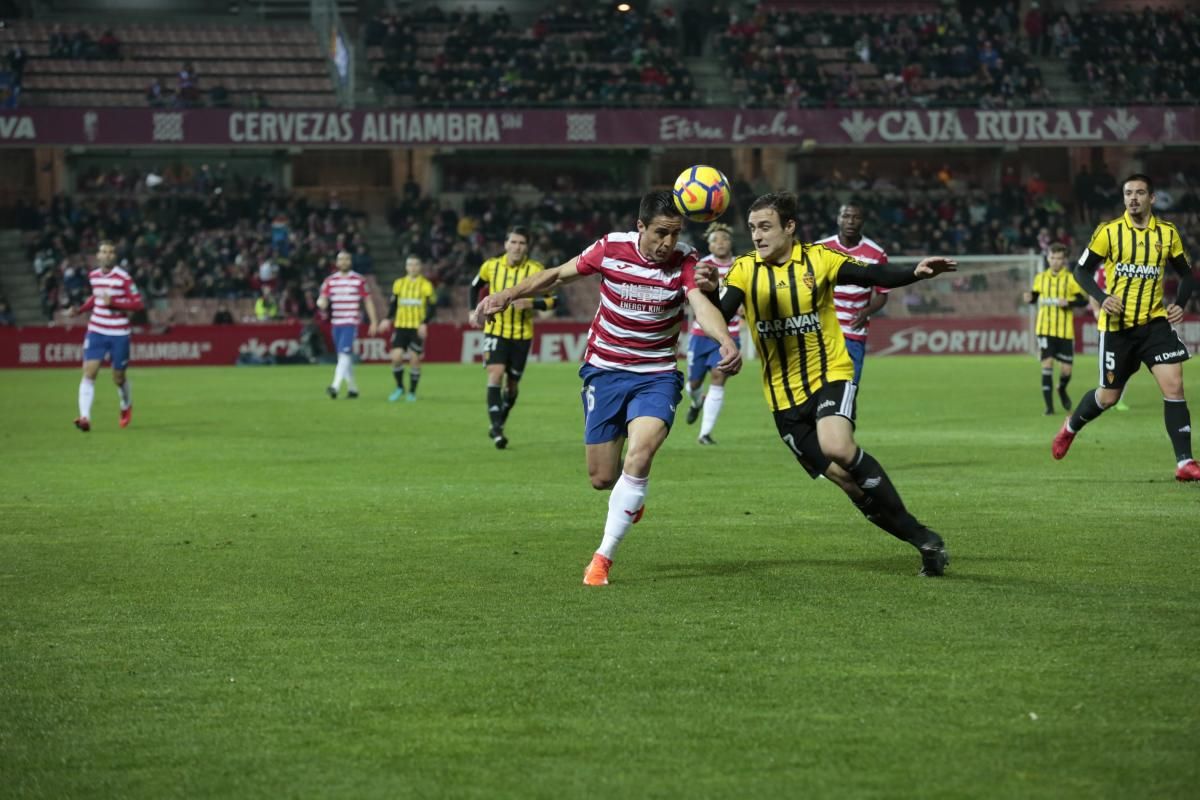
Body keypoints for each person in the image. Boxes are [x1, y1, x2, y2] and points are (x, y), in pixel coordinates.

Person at [475, 191, 741, 586]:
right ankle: (629, 497)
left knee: (640, 455)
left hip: (657, 374)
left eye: (674, 233)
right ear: (640, 228)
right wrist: (508, 294)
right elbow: (557, 275)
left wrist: (725, 339)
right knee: (602, 478)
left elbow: (701, 304)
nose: (668, 243)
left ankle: (602, 558)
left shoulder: (686, 260)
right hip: (604, 370)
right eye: (660, 233)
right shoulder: (609, 248)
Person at [715, 192, 957, 576]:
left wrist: (915, 272)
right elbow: (721, 309)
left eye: (765, 227)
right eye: (752, 229)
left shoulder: (819, 259)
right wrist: (710, 291)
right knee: (850, 485)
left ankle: (924, 539)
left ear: (789, 227)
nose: (757, 236)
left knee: (837, 446)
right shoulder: (744, 270)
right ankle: (924, 539)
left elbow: (870, 275)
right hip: (783, 399)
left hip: (830, 375)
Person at [1053, 174, 1199, 481]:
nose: (1133, 198)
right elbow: (1081, 271)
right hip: (1118, 329)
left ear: (1152, 198)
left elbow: (1186, 275)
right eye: (1128, 193)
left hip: (1154, 324)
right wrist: (1102, 298)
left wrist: (1180, 303)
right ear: (1123, 199)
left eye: (1140, 193)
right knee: (1108, 398)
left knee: (1174, 386)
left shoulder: (1167, 233)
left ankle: (1185, 462)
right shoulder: (1108, 232)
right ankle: (1070, 427)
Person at [467, 226, 555, 448]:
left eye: (522, 243)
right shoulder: (491, 266)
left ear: (527, 247)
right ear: (505, 244)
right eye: (513, 242)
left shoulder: (536, 269)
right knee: (495, 374)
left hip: (522, 335)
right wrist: (471, 310)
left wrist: (531, 303)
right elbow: (474, 285)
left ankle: (499, 422)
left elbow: (553, 300)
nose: (517, 247)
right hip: (496, 330)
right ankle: (497, 430)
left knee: (512, 387)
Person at [69, 240, 144, 431]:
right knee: (89, 372)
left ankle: (126, 406)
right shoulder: (93, 275)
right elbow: (96, 297)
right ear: (98, 255)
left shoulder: (124, 278)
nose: (107, 255)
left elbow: (137, 304)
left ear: (115, 256)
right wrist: (80, 310)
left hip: (119, 332)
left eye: (111, 252)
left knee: (118, 378)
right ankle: (85, 417)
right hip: (97, 330)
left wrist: (115, 304)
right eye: (104, 252)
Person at [816, 202, 890, 385]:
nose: (850, 221)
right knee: (817, 389)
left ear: (863, 221)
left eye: (856, 217)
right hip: (822, 331)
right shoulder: (819, 249)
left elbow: (882, 294)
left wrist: (866, 312)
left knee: (849, 388)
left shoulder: (876, 254)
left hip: (854, 331)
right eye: (846, 216)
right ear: (838, 219)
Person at [683, 222, 740, 444]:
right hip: (701, 334)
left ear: (731, 242)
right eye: (716, 240)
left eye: (724, 239)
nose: (721, 243)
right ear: (709, 244)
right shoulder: (702, 265)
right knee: (693, 384)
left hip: (730, 333)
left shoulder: (740, 266)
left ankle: (704, 434)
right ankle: (697, 402)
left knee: (718, 377)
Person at [1023, 243, 1087, 415]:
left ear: (1064, 260)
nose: (1056, 261)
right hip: (1044, 328)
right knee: (1047, 364)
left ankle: (1062, 389)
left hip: (1064, 331)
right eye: (1052, 258)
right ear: (1048, 258)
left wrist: (1069, 302)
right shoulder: (1040, 278)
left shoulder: (1070, 279)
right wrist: (1029, 298)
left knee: (1066, 370)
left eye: (1059, 258)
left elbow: (1083, 300)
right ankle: (1049, 408)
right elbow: (1035, 296)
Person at [318, 250, 381, 400]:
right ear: (337, 262)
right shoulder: (330, 281)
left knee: (344, 353)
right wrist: (322, 303)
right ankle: (353, 389)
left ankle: (335, 386)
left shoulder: (358, 280)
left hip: (351, 322)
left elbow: (367, 301)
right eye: (341, 259)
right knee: (343, 356)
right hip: (336, 323)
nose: (344, 262)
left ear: (350, 262)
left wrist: (373, 321)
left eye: (347, 259)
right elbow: (323, 298)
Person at [386, 254, 435, 403]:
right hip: (401, 326)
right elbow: (394, 305)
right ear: (406, 267)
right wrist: (387, 319)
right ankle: (400, 387)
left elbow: (432, 307)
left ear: (420, 267)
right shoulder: (399, 283)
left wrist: (424, 322)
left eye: (416, 264)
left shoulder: (426, 285)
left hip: (416, 328)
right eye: (410, 264)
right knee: (396, 357)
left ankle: (412, 392)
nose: (413, 267)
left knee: (414, 359)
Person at [1086, 260, 1130, 412]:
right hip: (1108, 325)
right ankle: (1107, 395)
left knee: (1127, 363)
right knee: (1109, 365)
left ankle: (1119, 399)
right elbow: (1093, 292)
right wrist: (1096, 311)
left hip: (1128, 322)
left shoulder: (1129, 266)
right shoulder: (1102, 270)